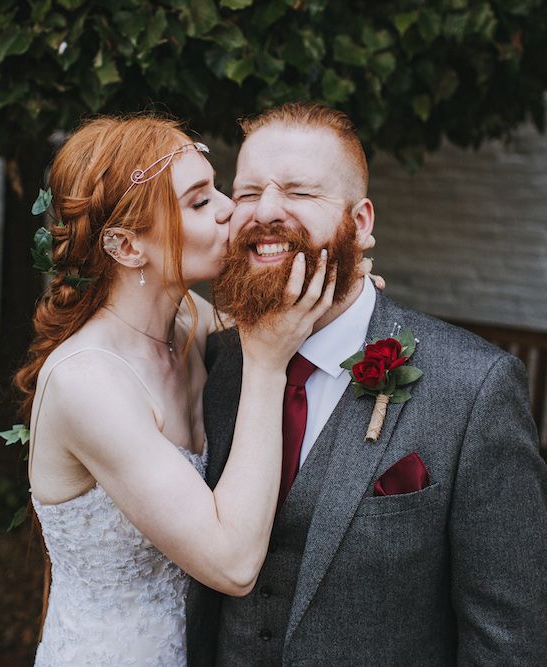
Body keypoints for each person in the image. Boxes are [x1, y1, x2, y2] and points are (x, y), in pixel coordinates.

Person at [186, 102, 547, 666]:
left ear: (361, 222)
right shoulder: (213, 362)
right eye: (250, 191)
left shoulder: (474, 389)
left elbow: (508, 640)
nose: (267, 211)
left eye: (301, 193)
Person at [13, 114, 353, 666]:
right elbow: (233, 565)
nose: (228, 209)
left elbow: (284, 323)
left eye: (217, 189)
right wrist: (265, 369)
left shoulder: (191, 322)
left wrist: (342, 288)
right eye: (199, 202)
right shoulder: (87, 382)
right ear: (125, 245)